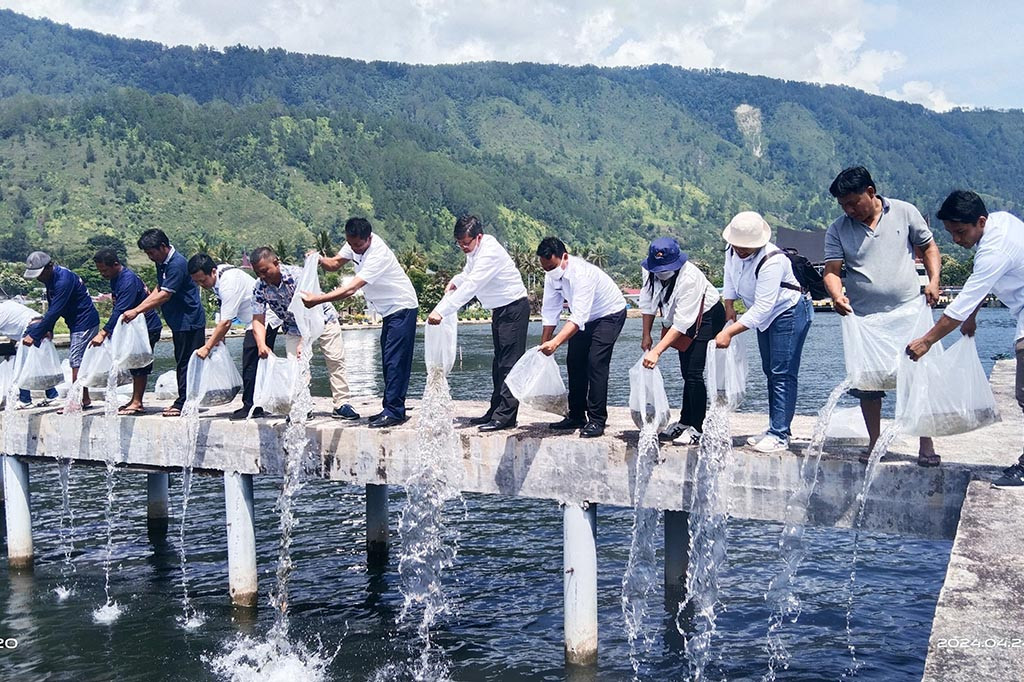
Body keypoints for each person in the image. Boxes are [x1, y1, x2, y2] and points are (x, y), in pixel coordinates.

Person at [824, 166, 942, 467]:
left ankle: (925, 443)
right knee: (868, 384)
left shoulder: (904, 211)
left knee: (916, 379)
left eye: (854, 202)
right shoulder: (838, 229)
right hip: (864, 318)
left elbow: (929, 247)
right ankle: (875, 443)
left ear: (871, 193)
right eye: (843, 205)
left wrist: (934, 280)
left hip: (908, 312)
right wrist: (837, 295)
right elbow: (832, 272)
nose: (849, 210)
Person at [906, 191, 1024, 484]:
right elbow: (985, 282)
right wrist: (972, 316)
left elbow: (960, 304)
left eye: (960, 232)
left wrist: (927, 341)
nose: (957, 239)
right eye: (951, 233)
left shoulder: (994, 250)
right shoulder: (1001, 222)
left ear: (980, 221)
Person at [307, 217, 419, 428]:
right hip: (388, 311)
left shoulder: (378, 253)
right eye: (351, 245)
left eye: (358, 245)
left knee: (396, 362)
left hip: (402, 307)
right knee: (388, 360)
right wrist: (318, 259)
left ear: (369, 238)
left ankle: (395, 411)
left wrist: (318, 300)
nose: (354, 249)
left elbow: (351, 289)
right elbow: (334, 264)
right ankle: (391, 407)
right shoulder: (353, 244)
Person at [715, 212, 813, 453]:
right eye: (738, 245)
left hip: (787, 312)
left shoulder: (773, 260)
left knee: (783, 372)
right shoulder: (731, 250)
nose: (741, 250)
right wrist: (729, 305)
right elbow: (730, 276)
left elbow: (762, 308)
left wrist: (729, 333)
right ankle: (774, 427)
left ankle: (780, 434)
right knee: (770, 369)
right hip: (764, 317)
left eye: (746, 247)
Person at [427, 215, 530, 432]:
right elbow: (467, 274)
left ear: (478, 237)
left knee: (509, 364)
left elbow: (473, 284)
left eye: (466, 242)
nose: (463, 247)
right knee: (498, 363)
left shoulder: (489, 252)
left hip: (513, 308)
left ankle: (506, 416)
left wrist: (442, 311)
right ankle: (496, 410)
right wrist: (455, 281)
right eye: (459, 243)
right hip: (500, 310)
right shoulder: (475, 252)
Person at [248, 246, 358, 420]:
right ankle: (303, 406)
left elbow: (309, 313)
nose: (262, 276)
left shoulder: (297, 277)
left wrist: (304, 342)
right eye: (257, 273)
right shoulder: (260, 287)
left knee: (335, 360)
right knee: (296, 367)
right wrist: (261, 344)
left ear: (276, 263)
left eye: (264, 271)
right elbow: (258, 319)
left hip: (322, 318)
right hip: (292, 326)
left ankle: (341, 404)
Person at [537, 237, 627, 438]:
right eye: (545, 268)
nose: (550, 272)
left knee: (596, 362)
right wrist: (545, 343)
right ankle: (576, 415)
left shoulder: (582, 274)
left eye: (552, 266)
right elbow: (550, 310)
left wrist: (556, 342)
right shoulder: (551, 275)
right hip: (584, 316)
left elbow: (578, 318)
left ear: (565, 257)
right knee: (574, 361)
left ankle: (597, 419)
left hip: (609, 314)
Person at [639, 237, 726, 445]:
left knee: (694, 372)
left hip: (707, 316)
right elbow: (648, 302)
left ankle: (697, 427)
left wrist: (657, 351)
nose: (661, 272)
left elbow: (682, 322)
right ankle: (685, 421)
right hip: (680, 318)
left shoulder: (690, 279)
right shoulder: (649, 270)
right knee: (685, 371)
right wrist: (646, 334)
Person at [122, 229, 205, 417]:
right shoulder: (163, 263)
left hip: (188, 320)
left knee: (186, 362)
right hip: (178, 321)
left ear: (163, 247)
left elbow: (165, 294)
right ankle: (186, 399)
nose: (150, 257)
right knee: (182, 360)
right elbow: (159, 287)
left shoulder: (176, 264)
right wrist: (142, 307)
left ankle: (184, 401)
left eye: (152, 253)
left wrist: (137, 310)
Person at [188, 253, 278, 420]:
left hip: (265, 319)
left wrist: (207, 347)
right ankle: (258, 403)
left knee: (251, 362)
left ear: (213, 272)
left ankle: (252, 406)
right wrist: (219, 338)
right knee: (256, 362)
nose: (202, 285)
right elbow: (225, 314)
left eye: (203, 280)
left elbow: (226, 322)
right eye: (197, 282)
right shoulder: (220, 276)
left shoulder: (228, 283)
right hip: (253, 319)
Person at [22, 251, 100, 410]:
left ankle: (76, 401)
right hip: (75, 322)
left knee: (76, 359)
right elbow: (53, 306)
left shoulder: (63, 280)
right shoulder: (50, 278)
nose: (38, 278)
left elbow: (56, 310)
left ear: (50, 266)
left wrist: (35, 335)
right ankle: (84, 399)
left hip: (84, 321)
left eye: (40, 273)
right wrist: (48, 329)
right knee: (78, 360)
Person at [91, 249, 162, 416]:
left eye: (105, 270)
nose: (103, 274)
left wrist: (103, 333)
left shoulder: (127, 280)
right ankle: (135, 400)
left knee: (140, 364)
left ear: (116, 264)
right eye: (100, 271)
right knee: (133, 364)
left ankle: (137, 402)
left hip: (146, 327)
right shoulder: (116, 279)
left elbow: (120, 310)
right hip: (135, 329)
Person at [0, 299, 58, 408]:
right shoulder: (9, 304)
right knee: (40, 366)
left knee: (22, 366)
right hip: (43, 326)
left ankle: (25, 400)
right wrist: (11, 345)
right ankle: (52, 396)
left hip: (31, 329)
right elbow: (16, 324)